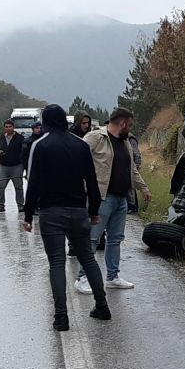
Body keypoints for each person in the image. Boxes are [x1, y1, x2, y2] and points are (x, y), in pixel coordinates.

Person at [22, 104, 110, 331]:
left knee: (57, 263)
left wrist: (29, 214)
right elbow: (91, 180)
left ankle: (61, 316)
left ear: (46, 121)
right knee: (88, 258)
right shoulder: (80, 144)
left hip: (51, 212)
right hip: (79, 210)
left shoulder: (40, 145)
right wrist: (93, 212)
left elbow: (33, 183)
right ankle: (102, 305)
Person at [74, 107, 151, 292]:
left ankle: (112, 276)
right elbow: (76, 159)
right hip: (102, 198)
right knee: (93, 238)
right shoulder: (95, 138)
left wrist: (144, 188)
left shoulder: (125, 143)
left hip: (121, 198)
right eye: (129, 125)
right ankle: (82, 278)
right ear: (122, 123)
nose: (130, 129)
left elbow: (132, 169)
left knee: (115, 238)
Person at [0, 119, 25, 213]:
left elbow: (24, 151)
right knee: (0, 185)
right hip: (3, 166)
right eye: (6, 127)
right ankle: (0, 205)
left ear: (13, 127)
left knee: (18, 186)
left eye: (10, 126)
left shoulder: (20, 138)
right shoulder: (1, 137)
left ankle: (20, 205)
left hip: (17, 166)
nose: (8, 128)